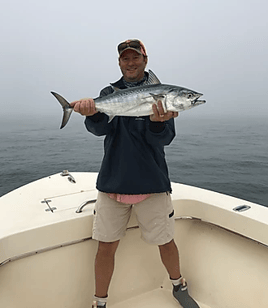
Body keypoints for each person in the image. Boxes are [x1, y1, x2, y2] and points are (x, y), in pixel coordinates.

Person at [71, 39, 200, 308]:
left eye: (135, 58)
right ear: (119, 63)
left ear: (145, 60)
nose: (131, 63)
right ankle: (100, 302)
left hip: (151, 181)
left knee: (165, 241)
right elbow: (100, 130)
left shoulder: (161, 96)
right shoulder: (109, 92)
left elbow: (163, 140)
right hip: (113, 182)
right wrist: (90, 114)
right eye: (125, 59)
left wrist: (157, 124)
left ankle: (178, 285)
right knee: (105, 246)